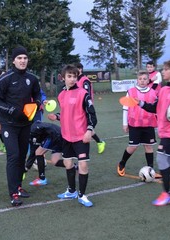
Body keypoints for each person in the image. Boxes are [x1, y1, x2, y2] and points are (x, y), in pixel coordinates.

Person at [0, 46, 41, 207]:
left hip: (26, 124)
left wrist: (38, 103)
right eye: (19, 58)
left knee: (21, 157)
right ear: (13, 60)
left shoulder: (32, 78)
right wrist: (10, 110)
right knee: (13, 156)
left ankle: (19, 187)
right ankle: (13, 193)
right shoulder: (6, 78)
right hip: (9, 125)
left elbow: (38, 94)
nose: (22, 61)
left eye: (25, 58)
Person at [48, 64, 97, 207]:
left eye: (74, 76)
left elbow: (92, 115)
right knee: (68, 164)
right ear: (63, 78)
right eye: (69, 76)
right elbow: (66, 113)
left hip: (81, 137)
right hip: (66, 136)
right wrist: (56, 117)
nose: (72, 79)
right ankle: (71, 191)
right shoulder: (61, 95)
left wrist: (89, 131)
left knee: (83, 165)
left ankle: (82, 195)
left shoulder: (83, 94)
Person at [139, 59, 170, 206]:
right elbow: (155, 108)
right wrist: (139, 103)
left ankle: (167, 193)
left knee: (161, 159)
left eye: (166, 69)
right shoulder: (164, 90)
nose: (163, 72)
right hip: (164, 133)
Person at [117, 71, 159, 177]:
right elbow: (125, 108)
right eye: (140, 79)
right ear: (137, 80)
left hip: (148, 123)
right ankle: (122, 163)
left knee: (148, 146)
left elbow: (156, 108)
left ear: (148, 80)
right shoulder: (131, 92)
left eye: (145, 79)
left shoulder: (153, 92)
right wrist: (124, 123)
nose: (142, 81)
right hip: (134, 124)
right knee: (133, 146)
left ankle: (151, 170)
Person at [75, 62, 106, 154]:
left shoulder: (85, 81)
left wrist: (84, 106)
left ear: (80, 69)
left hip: (85, 107)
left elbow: (86, 95)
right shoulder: (75, 80)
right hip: (77, 107)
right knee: (84, 126)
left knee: (85, 126)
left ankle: (99, 142)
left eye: (77, 69)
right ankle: (99, 142)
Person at [27, 120, 65, 186]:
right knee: (55, 161)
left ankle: (42, 179)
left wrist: (26, 167)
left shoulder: (32, 130)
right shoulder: (34, 127)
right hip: (60, 134)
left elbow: (34, 151)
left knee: (38, 152)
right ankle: (75, 166)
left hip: (56, 136)